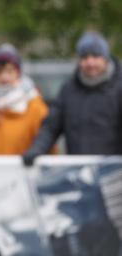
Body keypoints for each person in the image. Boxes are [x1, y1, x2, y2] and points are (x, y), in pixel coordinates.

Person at [23, 31, 122, 163]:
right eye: (85, 57)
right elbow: (50, 127)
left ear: (105, 58)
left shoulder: (119, 89)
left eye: (95, 56)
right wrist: (37, 149)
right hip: (78, 173)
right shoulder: (68, 91)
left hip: (113, 175)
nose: (90, 62)